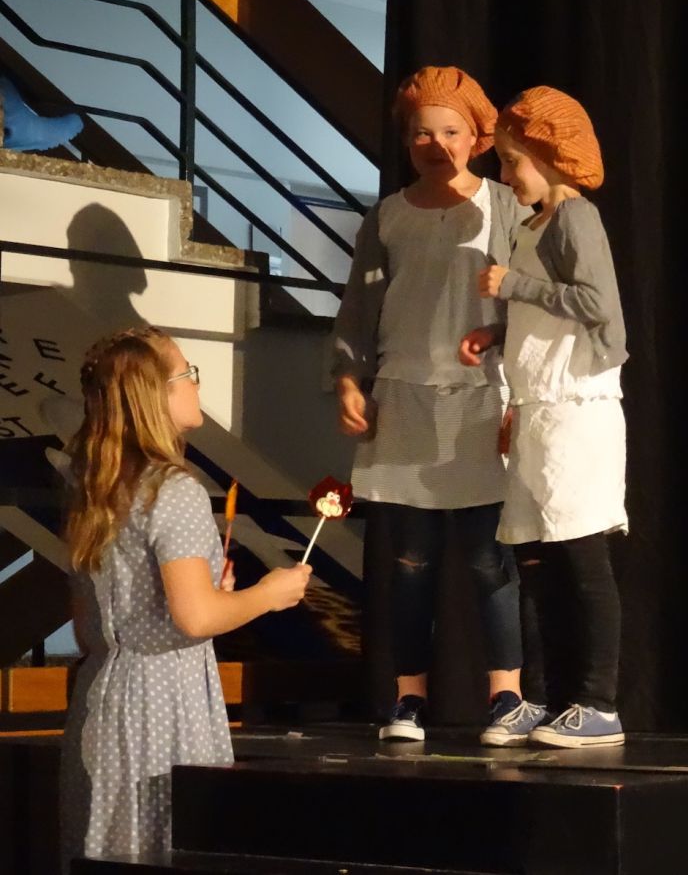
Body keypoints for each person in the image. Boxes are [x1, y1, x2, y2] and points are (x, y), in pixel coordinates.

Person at [333, 65, 535, 745]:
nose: (436, 144)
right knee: (409, 562)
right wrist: (349, 379)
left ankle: (506, 697)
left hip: (481, 400)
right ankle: (407, 700)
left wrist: (508, 355)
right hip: (403, 399)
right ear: (405, 140)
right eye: (422, 132)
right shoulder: (386, 216)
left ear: (476, 138)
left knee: (487, 558)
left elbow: (534, 301)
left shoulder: (506, 207)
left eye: (450, 131)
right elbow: (359, 309)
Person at [60, 326, 311, 869]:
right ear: (157, 394)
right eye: (187, 373)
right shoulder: (173, 490)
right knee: (171, 852)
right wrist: (267, 594)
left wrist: (216, 598)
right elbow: (196, 618)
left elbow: (89, 624)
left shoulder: (95, 488)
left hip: (101, 701)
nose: (197, 383)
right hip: (165, 705)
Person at [460, 86, 628, 747]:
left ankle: (598, 701)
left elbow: (597, 306)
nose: (506, 176)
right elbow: (546, 314)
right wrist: (497, 333)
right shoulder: (532, 225)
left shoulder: (575, 217)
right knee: (536, 561)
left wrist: (514, 285)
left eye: (513, 161)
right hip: (536, 407)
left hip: (575, 407)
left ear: (552, 155)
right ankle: (552, 698)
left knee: (581, 556)